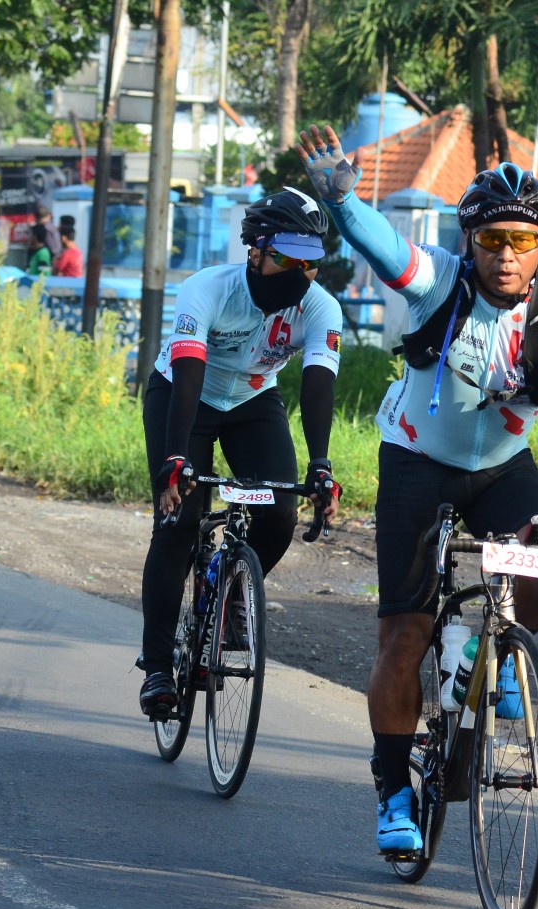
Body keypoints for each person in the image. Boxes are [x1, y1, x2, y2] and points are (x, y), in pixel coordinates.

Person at [297, 124, 538, 853]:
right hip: (416, 463)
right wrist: (342, 202)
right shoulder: (439, 280)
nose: (506, 254)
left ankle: (487, 657)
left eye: (522, 240)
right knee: (405, 634)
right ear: (470, 241)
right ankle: (393, 790)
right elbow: (385, 248)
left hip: (503, 470)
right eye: (493, 239)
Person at [136, 186, 345, 718]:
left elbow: (318, 383)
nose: (300, 273)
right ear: (255, 251)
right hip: (184, 393)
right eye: (287, 259)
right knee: (179, 523)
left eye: (311, 262)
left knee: (279, 514)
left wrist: (321, 465)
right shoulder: (207, 288)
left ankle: (231, 594)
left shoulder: (321, 307)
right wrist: (175, 459)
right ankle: (158, 667)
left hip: (253, 400)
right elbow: (188, 370)